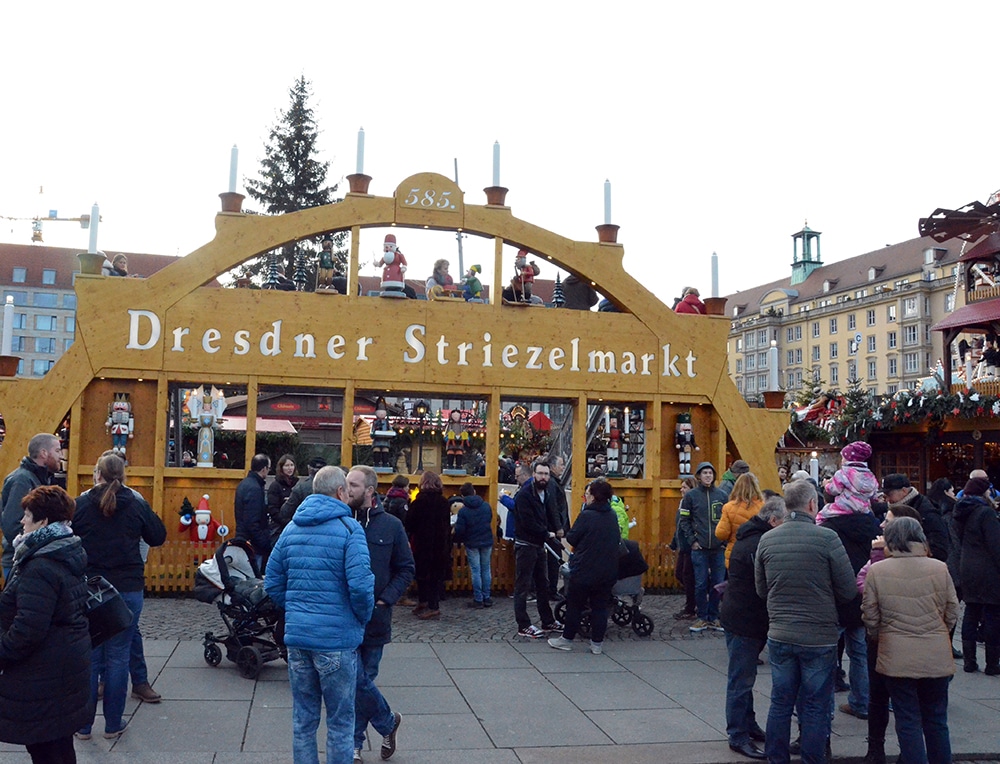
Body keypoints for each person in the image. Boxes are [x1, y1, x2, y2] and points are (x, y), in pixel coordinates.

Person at [265, 466, 375, 764]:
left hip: (299, 639)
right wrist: (360, 619)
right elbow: (362, 589)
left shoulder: (291, 529)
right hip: (337, 641)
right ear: (340, 492)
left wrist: (296, 608)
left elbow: (272, 582)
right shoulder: (350, 530)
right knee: (340, 723)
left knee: (303, 720)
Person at [754, 479, 856, 764]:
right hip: (819, 635)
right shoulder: (827, 539)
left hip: (781, 633)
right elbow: (848, 590)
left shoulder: (767, 539)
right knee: (814, 706)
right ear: (813, 504)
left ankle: (776, 758)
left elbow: (761, 589)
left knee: (780, 701)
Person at [73, 453, 167, 740]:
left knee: (90, 657)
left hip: (92, 588)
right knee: (118, 657)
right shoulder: (135, 503)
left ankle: (83, 725)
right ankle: (113, 724)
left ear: (97, 474)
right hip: (127, 588)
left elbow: (67, 536)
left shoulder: (81, 504)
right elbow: (158, 536)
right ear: (123, 475)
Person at [0, 486, 91, 763]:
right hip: (63, 667)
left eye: (27, 515)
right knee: (59, 748)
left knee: (47, 750)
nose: (22, 521)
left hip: (44, 675)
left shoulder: (40, 564)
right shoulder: (63, 549)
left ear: (44, 522)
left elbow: (28, 631)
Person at [862, 516, 958, 764]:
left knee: (907, 720)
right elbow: (951, 612)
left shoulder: (878, 571)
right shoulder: (939, 568)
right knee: (937, 720)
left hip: (896, 656)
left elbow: (871, 617)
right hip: (935, 655)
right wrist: (938, 633)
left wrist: (880, 638)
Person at [345, 466, 412, 763]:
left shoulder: (392, 526)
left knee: (363, 679)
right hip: (345, 616)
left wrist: (387, 599)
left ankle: (355, 745)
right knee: (353, 681)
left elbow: (406, 568)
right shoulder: (342, 520)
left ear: (370, 491)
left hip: (375, 616)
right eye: (347, 484)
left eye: (354, 485)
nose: (348, 490)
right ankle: (387, 722)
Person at [816, 441, 881, 724]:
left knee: (827, 652)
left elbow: (829, 488)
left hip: (837, 594)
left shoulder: (830, 525)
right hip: (863, 594)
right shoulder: (873, 524)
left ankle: (823, 703)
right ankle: (862, 702)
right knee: (859, 652)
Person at [719, 496, 788, 760]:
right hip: (745, 619)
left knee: (743, 678)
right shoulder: (757, 543)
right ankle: (737, 734)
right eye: (783, 521)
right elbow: (764, 584)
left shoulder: (751, 538)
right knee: (740, 680)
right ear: (772, 521)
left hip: (745, 616)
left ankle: (747, 725)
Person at [547, 478, 621, 654]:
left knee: (575, 605)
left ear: (594, 497)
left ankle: (567, 639)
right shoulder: (611, 515)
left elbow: (572, 538)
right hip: (607, 570)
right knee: (600, 607)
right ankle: (596, 644)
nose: (585, 497)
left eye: (587, 494)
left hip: (584, 569)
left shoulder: (587, 515)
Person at [951, 475, 1000, 675]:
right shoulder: (985, 513)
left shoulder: (960, 511)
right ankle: (992, 663)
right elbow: (995, 545)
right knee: (992, 615)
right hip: (987, 570)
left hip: (967, 567)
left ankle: (970, 661)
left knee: (971, 612)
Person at [511, 460, 563, 638]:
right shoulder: (525, 495)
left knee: (543, 584)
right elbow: (527, 522)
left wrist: (557, 529)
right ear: (534, 474)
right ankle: (523, 625)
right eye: (540, 473)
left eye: (546, 474)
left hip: (539, 545)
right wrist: (546, 533)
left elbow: (551, 512)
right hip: (526, 545)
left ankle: (547, 621)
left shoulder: (546, 492)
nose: (543, 477)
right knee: (522, 586)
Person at [2, 433, 61, 579]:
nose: (61, 456)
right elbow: (12, 525)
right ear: (44, 453)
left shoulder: (38, 479)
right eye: (58, 451)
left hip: (30, 560)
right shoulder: (22, 481)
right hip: (19, 562)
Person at [678, 461, 728, 632]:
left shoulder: (722, 496)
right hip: (699, 548)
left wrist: (724, 541)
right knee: (700, 583)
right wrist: (692, 540)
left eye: (711, 473)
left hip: (718, 548)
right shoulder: (690, 496)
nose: (708, 475)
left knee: (718, 583)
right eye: (705, 473)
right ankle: (702, 617)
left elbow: (727, 520)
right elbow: (684, 520)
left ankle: (714, 616)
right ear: (699, 476)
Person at [404, 471, 452, 620]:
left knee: (423, 575)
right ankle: (429, 603)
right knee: (435, 576)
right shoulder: (444, 502)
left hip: (422, 543)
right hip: (439, 544)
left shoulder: (418, 502)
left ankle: (430, 605)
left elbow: (409, 523)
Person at [881, 473, 949, 563]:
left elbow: (939, 547)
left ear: (904, 491)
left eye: (889, 495)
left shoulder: (927, 512)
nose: (887, 499)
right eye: (884, 496)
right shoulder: (894, 507)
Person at [453, 483, 494, 608]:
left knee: (476, 570)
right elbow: (490, 519)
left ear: (462, 496)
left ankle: (478, 598)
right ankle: (487, 597)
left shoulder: (464, 511)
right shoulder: (486, 506)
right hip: (486, 540)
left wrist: (457, 541)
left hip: (472, 542)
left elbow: (460, 529)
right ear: (474, 492)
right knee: (486, 569)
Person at [715, 472, 764, 567]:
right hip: (757, 553)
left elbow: (721, 534)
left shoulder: (728, 507)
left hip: (735, 553)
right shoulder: (763, 507)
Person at [235, 454, 271, 568]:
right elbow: (252, 521)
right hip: (253, 545)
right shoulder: (255, 488)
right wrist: (264, 543)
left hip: (243, 539)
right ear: (264, 469)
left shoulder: (244, 484)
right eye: (269, 468)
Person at [670, 476, 698, 620]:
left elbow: (688, 525)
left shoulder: (693, 504)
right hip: (683, 546)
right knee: (681, 574)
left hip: (690, 546)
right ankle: (692, 603)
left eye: (684, 487)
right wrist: (674, 542)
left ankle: (691, 607)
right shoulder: (682, 503)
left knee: (688, 576)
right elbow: (679, 526)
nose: (681, 490)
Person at [545, 454, 570, 599]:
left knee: (555, 558)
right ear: (553, 466)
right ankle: (552, 590)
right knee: (554, 559)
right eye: (561, 464)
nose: (563, 467)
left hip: (554, 527)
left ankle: (552, 588)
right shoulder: (552, 484)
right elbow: (553, 506)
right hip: (553, 528)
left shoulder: (554, 482)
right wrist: (559, 526)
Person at [279, 456, 327, 524]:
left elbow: (285, 513)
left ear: (309, 468)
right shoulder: (334, 486)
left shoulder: (300, 487)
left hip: (304, 527)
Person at [267, 454, 298, 542]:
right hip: (279, 528)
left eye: (292, 465)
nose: (290, 468)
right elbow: (272, 509)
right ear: (281, 468)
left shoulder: (297, 484)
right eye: (286, 465)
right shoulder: (275, 485)